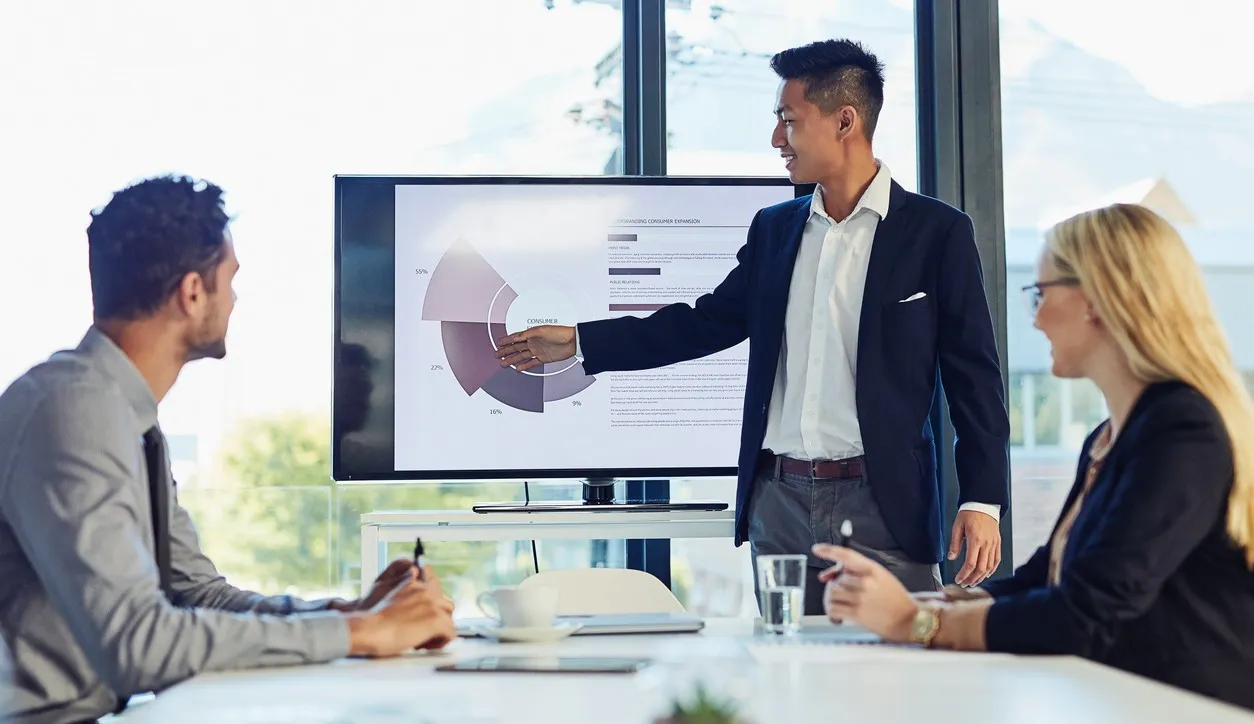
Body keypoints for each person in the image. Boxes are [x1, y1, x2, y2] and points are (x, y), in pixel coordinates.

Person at [495, 38, 1009, 610]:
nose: (776, 140)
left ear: (845, 120)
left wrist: (982, 500)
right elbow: (705, 323)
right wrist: (581, 341)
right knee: (788, 678)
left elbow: (974, 378)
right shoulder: (774, 229)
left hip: (885, 504)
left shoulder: (938, 233)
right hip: (778, 502)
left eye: (788, 121)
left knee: (896, 683)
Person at [0, 175, 456, 724]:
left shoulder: (120, 414)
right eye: (230, 279)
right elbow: (139, 646)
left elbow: (198, 596)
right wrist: (360, 633)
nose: (235, 298)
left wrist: (346, 611)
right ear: (193, 292)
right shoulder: (73, 410)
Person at [813, 203, 1254, 709]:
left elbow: (1084, 613)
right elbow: (1048, 578)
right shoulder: (1111, 436)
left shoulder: (1181, 432)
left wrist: (914, 624)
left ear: (1097, 298)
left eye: (1041, 294)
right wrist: (922, 601)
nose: (1037, 318)